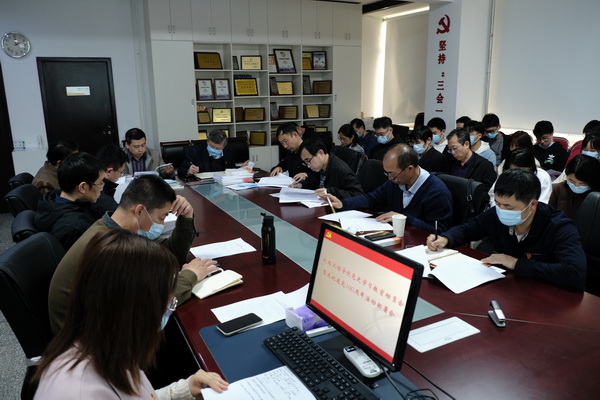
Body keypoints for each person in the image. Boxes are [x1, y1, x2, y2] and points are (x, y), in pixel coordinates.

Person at [33, 229, 229, 399]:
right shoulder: (80, 392)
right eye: (167, 302)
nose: (169, 309)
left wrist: (183, 389)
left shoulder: (107, 349)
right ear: (136, 309)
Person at [48, 174, 216, 334]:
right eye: (161, 217)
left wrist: (186, 216)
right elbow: (148, 309)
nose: (161, 224)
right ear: (140, 211)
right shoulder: (112, 249)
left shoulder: (113, 226)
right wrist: (189, 276)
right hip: (92, 342)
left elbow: (171, 254)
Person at [427, 168, 586, 291]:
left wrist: (516, 263)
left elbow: (575, 272)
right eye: (498, 203)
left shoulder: (559, 227)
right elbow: (468, 229)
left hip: (546, 296)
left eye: (508, 207)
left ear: (532, 204)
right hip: (508, 288)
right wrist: (446, 238)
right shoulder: (496, 214)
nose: (501, 210)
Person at [322, 144, 453, 233]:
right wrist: (343, 204)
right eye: (387, 173)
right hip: (394, 238)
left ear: (409, 169)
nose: (389, 178)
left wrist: (404, 218)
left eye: (392, 174)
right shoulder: (396, 182)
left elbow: (438, 231)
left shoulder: (436, 192)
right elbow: (371, 199)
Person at [34, 152, 105, 251]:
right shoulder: (75, 228)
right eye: (100, 183)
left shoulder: (53, 198)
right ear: (82, 187)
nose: (102, 188)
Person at [295, 137, 363, 199]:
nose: (308, 166)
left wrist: (329, 192)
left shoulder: (341, 170)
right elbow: (317, 181)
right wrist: (302, 185)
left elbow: (358, 194)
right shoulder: (321, 166)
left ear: (320, 153)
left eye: (308, 161)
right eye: (305, 163)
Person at [549, 154, 600, 219]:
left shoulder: (597, 196)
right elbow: (549, 214)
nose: (576, 186)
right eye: (571, 181)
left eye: (583, 184)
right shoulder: (559, 189)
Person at [92, 144, 128, 214]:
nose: (120, 176)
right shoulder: (100, 197)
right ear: (109, 172)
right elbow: (120, 215)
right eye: (121, 172)